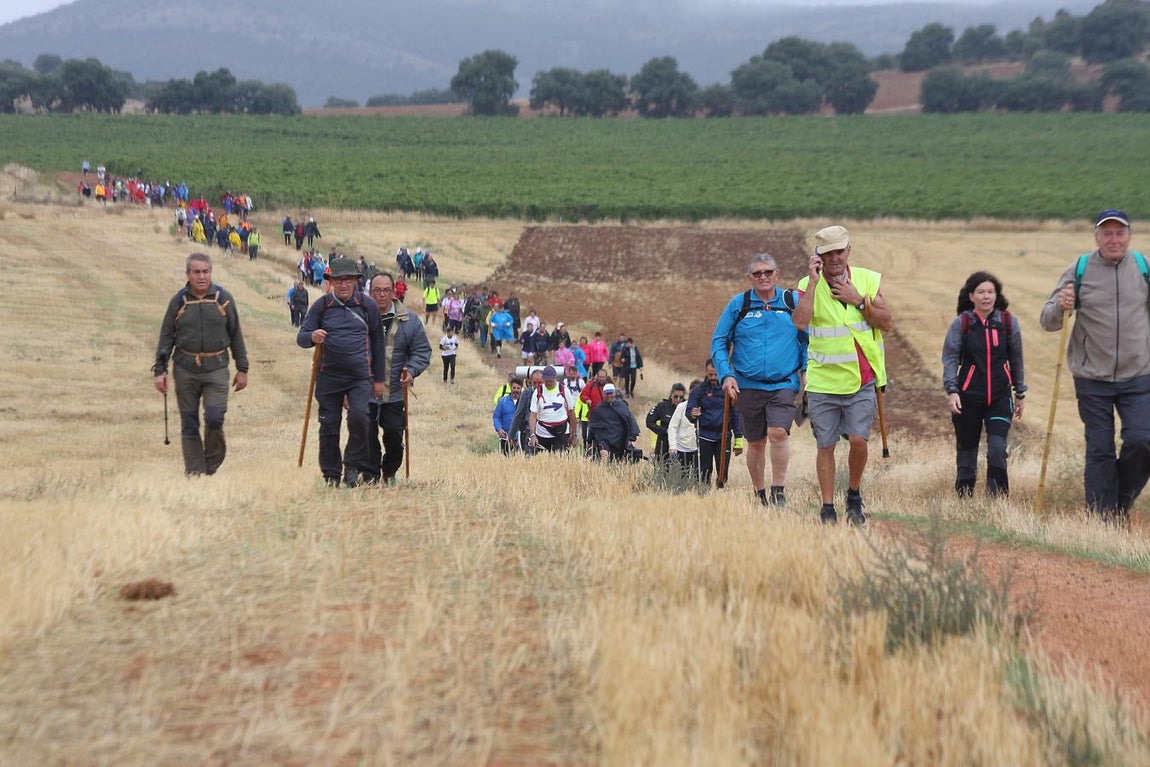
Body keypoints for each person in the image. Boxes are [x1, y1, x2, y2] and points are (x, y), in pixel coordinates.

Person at [1040, 209, 1150, 520]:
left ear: (1128, 236)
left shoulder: (1143, 268)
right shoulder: (1080, 269)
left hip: (1139, 375)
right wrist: (1061, 307)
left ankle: (1118, 503)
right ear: (1096, 237)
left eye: (1119, 233)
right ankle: (1103, 518)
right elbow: (1047, 320)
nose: (1113, 239)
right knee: (1100, 449)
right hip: (1092, 378)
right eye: (1107, 233)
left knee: (1143, 441)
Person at [793, 225, 893, 526]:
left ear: (848, 251)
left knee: (859, 442)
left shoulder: (866, 279)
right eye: (828, 253)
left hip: (862, 379)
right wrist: (812, 283)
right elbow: (800, 321)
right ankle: (827, 508)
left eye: (839, 251)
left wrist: (859, 301)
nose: (835, 258)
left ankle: (853, 494)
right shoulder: (805, 285)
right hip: (824, 381)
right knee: (825, 445)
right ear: (818, 257)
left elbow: (886, 322)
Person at [712, 253, 806, 507]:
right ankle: (759, 493)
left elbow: (808, 339)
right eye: (757, 274)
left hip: (783, 383)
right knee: (755, 442)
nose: (763, 277)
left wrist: (806, 370)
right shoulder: (739, 304)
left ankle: (778, 491)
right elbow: (719, 342)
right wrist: (726, 374)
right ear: (749, 277)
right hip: (747, 385)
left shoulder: (792, 301)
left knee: (777, 433)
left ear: (777, 274)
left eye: (768, 272)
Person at [152, 252, 249, 476]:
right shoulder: (178, 302)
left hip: (216, 368)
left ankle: (211, 464)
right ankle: (195, 473)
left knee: (215, 418)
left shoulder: (224, 299)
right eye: (196, 272)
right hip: (185, 369)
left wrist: (242, 368)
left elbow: (236, 335)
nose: (202, 276)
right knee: (189, 421)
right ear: (188, 274)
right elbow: (166, 336)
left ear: (211, 273)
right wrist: (160, 370)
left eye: (205, 272)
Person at [297, 258, 387, 487]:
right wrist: (312, 337)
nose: (343, 284)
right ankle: (331, 475)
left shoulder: (368, 306)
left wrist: (378, 379)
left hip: (360, 377)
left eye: (348, 279)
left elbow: (378, 342)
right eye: (338, 280)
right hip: (328, 377)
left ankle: (352, 466)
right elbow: (302, 337)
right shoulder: (322, 305)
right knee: (329, 424)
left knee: (359, 418)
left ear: (356, 281)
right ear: (332, 282)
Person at [943, 271, 1026, 498]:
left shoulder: (1008, 323)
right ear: (971, 296)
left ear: (996, 296)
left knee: (998, 449)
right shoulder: (962, 324)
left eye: (990, 292)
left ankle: (996, 501)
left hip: (1000, 398)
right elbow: (950, 359)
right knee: (967, 451)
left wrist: (1020, 393)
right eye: (981, 292)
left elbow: (1017, 359)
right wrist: (952, 391)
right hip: (968, 398)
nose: (986, 297)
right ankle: (964, 499)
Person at [363, 271, 431, 486]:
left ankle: (389, 471)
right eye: (377, 290)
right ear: (369, 292)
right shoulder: (360, 317)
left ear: (394, 292)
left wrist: (411, 370)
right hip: (365, 391)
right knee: (366, 433)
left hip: (394, 391)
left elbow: (421, 351)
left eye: (385, 290)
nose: (381, 295)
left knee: (393, 434)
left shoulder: (409, 321)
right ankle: (370, 474)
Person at [686, 360, 744, 486]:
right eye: (710, 374)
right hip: (704, 436)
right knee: (703, 473)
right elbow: (689, 410)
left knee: (722, 473)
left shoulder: (729, 390)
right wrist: (692, 413)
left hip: (723, 437)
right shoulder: (699, 391)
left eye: (716, 374)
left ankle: (720, 494)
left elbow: (736, 415)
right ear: (706, 373)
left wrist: (739, 439)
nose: (713, 377)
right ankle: (703, 495)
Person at [528, 366, 579, 453]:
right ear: (543, 379)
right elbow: (533, 415)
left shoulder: (564, 390)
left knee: (559, 459)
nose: (549, 383)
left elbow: (571, 413)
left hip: (561, 431)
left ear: (555, 378)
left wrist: (574, 434)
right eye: (546, 380)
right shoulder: (538, 392)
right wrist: (533, 435)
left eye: (551, 380)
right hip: (543, 432)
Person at [588, 383, 640, 461]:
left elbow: (630, 421)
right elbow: (593, 426)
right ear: (603, 394)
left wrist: (630, 438)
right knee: (604, 456)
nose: (609, 395)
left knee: (623, 459)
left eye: (611, 393)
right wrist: (589, 441)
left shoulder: (622, 405)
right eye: (607, 393)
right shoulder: (598, 409)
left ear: (614, 393)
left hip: (620, 438)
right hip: (604, 439)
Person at [667, 378, 702, 480]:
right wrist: (673, 447)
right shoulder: (682, 407)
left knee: (698, 477)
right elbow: (672, 427)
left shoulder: (707, 407)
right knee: (683, 476)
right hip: (682, 448)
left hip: (699, 448)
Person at [646, 383, 686, 462]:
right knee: (662, 468)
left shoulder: (686, 407)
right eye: (675, 396)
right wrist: (664, 430)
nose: (678, 399)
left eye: (681, 397)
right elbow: (649, 421)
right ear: (671, 394)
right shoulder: (662, 406)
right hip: (663, 442)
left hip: (681, 443)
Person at [493, 378, 524, 455]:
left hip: (521, 438)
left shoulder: (525, 401)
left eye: (518, 388)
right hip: (505, 437)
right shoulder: (503, 401)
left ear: (521, 389)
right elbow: (496, 417)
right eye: (514, 388)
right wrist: (499, 429)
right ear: (510, 388)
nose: (516, 390)